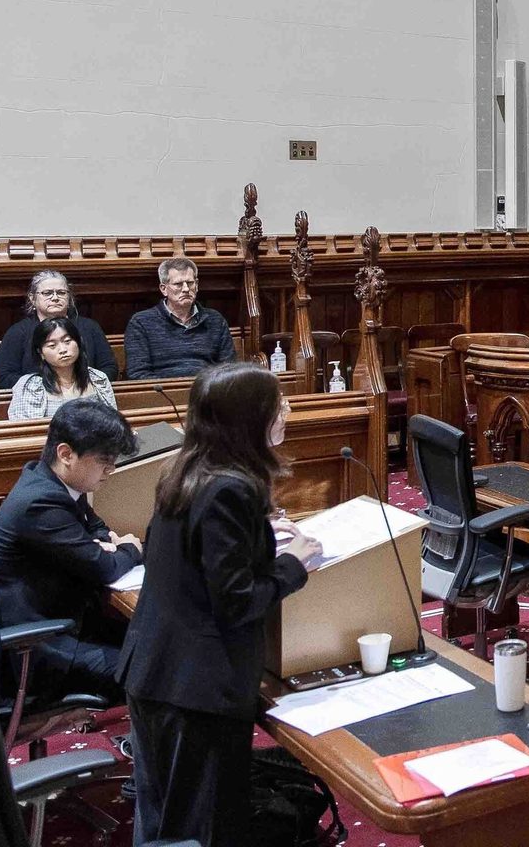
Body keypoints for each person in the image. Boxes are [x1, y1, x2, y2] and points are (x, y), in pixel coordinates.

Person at [123, 362, 323, 845]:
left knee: (164, 822)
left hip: (157, 669)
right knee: (202, 828)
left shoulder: (187, 469)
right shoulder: (231, 489)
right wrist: (295, 563)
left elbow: (193, 558)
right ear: (249, 420)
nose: (288, 410)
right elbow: (235, 602)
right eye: (277, 405)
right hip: (196, 687)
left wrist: (260, 544)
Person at [0, 399, 143, 701]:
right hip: (39, 646)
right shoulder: (40, 503)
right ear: (66, 453)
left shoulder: (52, 480)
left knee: (161, 644)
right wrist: (130, 549)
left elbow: (94, 527)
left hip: (66, 619)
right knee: (160, 669)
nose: (111, 469)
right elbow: (105, 567)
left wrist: (107, 543)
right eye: (104, 461)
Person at [0, 270, 118, 389]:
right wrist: (50, 388)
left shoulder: (90, 327)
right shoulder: (18, 332)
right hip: (37, 399)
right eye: (47, 293)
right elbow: (2, 377)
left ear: (69, 297)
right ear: (32, 298)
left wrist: (80, 386)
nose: (55, 297)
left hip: (85, 393)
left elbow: (109, 368)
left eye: (61, 292)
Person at [123, 259, 236, 380]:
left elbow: (229, 368)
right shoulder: (141, 322)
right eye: (178, 284)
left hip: (208, 391)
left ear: (196, 285)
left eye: (190, 283)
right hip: (161, 393)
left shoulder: (215, 320)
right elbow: (137, 373)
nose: (186, 289)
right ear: (164, 289)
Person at [8, 316, 118, 420]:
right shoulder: (30, 387)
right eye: (52, 345)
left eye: (67, 341)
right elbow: (26, 432)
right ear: (41, 352)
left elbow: (113, 425)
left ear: (79, 343)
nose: (62, 350)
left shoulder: (98, 379)